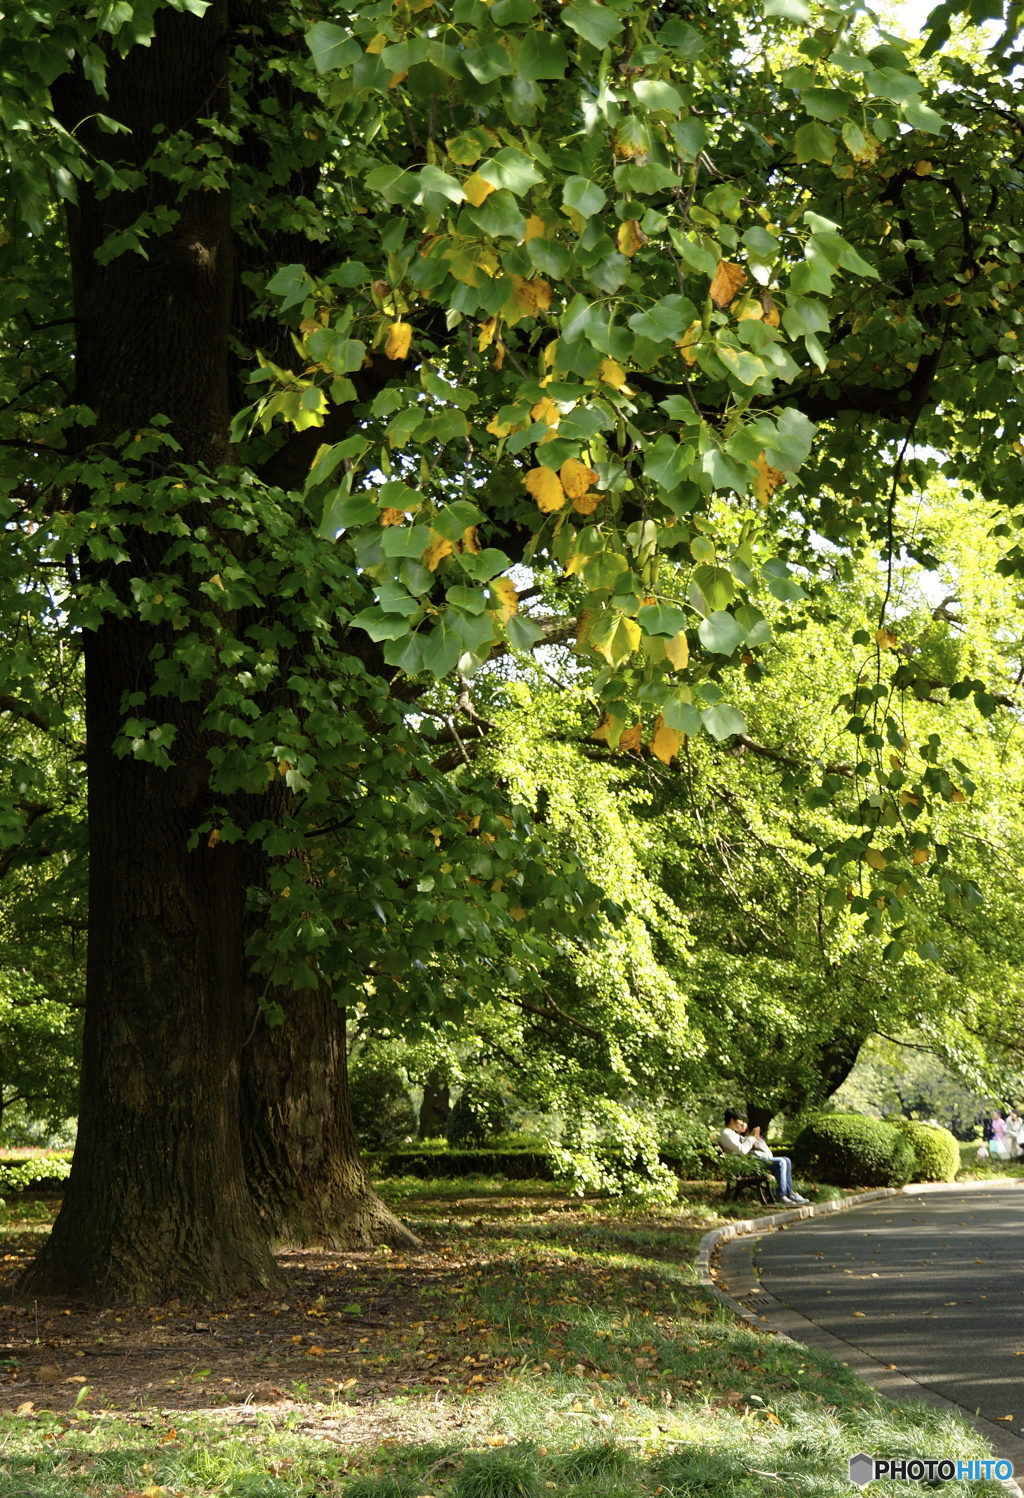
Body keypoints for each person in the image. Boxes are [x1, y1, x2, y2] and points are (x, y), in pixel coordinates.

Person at [718, 1109, 809, 1205]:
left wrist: (753, 1138)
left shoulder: (732, 1133)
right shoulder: (726, 1134)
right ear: (732, 1120)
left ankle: (789, 1193)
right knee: (780, 1162)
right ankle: (781, 1195)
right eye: (740, 1120)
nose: (742, 1123)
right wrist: (751, 1137)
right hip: (744, 1169)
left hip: (749, 1165)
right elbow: (742, 1150)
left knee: (787, 1160)